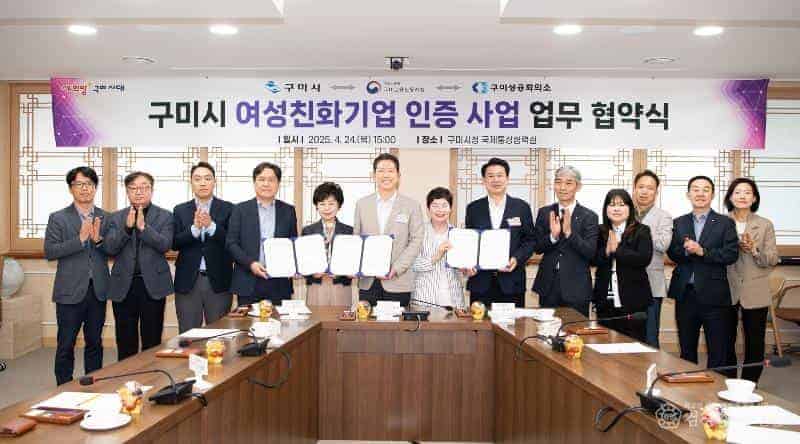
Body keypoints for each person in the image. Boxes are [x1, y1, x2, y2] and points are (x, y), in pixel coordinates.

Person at [44, 166, 110, 385]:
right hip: (69, 291)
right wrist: (80, 240)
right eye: (79, 184)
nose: (84, 188)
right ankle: (63, 388)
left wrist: (99, 240)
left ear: (95, 188)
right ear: (71, 188)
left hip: (98, 290)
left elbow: (114, 250)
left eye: (89, 184)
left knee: (95, 342)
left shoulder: (105, 217)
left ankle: (93, 385)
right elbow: (50, 251)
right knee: (66, 344)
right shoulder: (58, 218)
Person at [667, 175, 739, 375]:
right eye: (696, 189)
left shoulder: (725, 223)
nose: (700, 193)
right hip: (686, 294)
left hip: (715, 295)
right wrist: (685, 251)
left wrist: (702, 252)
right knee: (687, 349)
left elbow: (731, 254)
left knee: (717, 350)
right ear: (688, 194)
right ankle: (688, 387)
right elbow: (672, 252)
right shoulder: (679, 222)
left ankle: (715, 390)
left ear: (713, 194)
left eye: (705, 189)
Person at [105, 171, 174, 361]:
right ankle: (126, 376)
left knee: (152, 339)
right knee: (125, 340)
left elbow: (165, 245)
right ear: (127, 191)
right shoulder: (115, 218)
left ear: (152, 190)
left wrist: (144, 228)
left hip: (152, 285)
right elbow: (110, 248)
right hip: (123, 285)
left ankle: (151, 375)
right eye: (133, 188)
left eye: (144, 187)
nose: (139, 192)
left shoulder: (165, 216)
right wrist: (127, 228)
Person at [724, 178, 779, 384]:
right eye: (737, 192)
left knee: (755, 343)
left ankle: (749, 385)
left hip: (755, 289)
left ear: (754, 198)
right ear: (730, 197)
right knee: (724, 341)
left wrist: (755, 250)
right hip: (726, 288)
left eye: (747, 192)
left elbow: (772, 259)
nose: (742, 196)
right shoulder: (721, 222)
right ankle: (728, 383)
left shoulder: (765, 224)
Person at [353, 153, 424, 307]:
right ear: (373, 175)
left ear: (398, 176)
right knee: (367, 321)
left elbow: (416, 240)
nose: (386, 175)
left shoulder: (411, 206)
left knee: (397, 322)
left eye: (390, 171)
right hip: (368, 282)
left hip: (398, 281)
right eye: (381, 171)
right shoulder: (362, 204)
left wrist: (396, 268)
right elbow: (356, 239)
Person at [464, 158, 536, 307]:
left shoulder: (521, 207)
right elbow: (469, 241)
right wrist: (467, 263)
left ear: (507, 178)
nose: (495, 180)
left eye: (499, 175)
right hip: (480, 282)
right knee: (480, 321)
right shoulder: (473, 208)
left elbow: (530, 240)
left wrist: (516, 258)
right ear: (484, 180)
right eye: (490, 176)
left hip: (512, 282)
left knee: (512, 322)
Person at [172, 162, 234, 333]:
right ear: (191, 183)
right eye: (197, 179)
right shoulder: (180, 210)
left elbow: (233, 242)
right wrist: (194, 229)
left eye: (207, 178)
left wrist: (211, 226)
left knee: (219, 334)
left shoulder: (229, 208)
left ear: (214, 182)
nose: (203, 183)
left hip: (219, 281)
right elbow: (174, 243)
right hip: (188, 281)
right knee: (188, 335)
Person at [226, 162, 298, 307]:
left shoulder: (288, 210)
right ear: (254, 182)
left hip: (279, 282)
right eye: (261, 179)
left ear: (278, 183)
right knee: (248, 322)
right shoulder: (240, 209)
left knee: (279, 321)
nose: (266, 184)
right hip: (248, 279)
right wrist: (250, 264)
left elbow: (293, 244)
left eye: (271, 180)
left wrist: (295, 265)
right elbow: (231, 243)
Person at [532, 166, 599, 316]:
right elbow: (537, 247)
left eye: (568, 183)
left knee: (576, 329)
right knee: (547, 328)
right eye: (558, 182)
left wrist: (569, 233)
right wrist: (553, 237)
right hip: (548, 285)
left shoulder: (589, 216)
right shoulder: (545, 212)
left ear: (578, 186)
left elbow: (590, 252)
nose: (562, 187)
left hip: (577, 286)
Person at [593, 189, 653, 343]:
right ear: (606, 209)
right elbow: (592, 259)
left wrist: (617, 250)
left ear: (629, 208)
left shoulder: (642, 230)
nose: (616, 209)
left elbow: (644, 259)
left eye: (621, 205)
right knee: (605, 345)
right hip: (605, 300)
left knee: (634, 347)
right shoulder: (600, 231)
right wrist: (606, 251)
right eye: (612, 205)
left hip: (633, 301)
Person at [633, 170, 673, 348]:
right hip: (626, 284)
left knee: (650, 338)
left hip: (652, 284)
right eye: (641, 187)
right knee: (628, 336)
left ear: (656, 192)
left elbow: (663, 244)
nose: (644, 191)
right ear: (634, 189)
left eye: (649, 188)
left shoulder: (664, 216)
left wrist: (640, 230)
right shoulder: (624, 212)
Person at [411, 187, 466, 310]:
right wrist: (436, 256)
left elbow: (462, 268)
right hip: (424, 297)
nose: (440, 210)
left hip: (453, 298)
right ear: (428, 209)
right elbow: (412, 265)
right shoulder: (418, 232)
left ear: (450, 208)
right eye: (435, 205)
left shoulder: (459, 234)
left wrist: (466, 270)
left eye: (444, 205)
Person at [301, 182, 354, 306]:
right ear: (316, 206)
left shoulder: (349, 231)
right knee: (315, 317)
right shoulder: (308, 231)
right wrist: (311, 273)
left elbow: (353, 262)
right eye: (322, 204)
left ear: (339, 205)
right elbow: (302, 261)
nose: (327, 208)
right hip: (316, 285)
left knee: (341, 317)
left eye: (331, 204)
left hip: (341, 285)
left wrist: (344, 272)